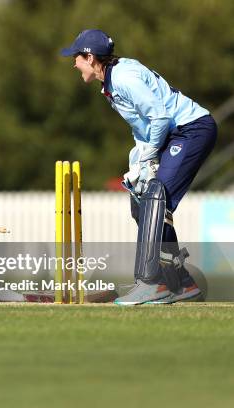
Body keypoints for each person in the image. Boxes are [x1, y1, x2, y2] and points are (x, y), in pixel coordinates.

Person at [60, 29, 217, 305]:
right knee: (142, 201)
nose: (74, 64)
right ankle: (181, 284)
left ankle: (152, 284)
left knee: (156, 199)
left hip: (191, 130)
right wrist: (139, 161)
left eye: (77, 58)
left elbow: (159, 116)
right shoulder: (110, 81)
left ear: (90, 57)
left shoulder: (123, 77)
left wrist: (149, 157)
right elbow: (143, 126)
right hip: (173, 134)